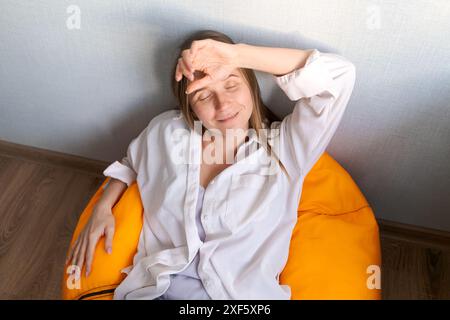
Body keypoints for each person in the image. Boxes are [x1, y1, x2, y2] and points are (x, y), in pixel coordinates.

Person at [65, 29, 356, 299]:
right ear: (189, 105)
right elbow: (131, 163)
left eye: (232, 84)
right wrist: (102, 208)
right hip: (154, 291)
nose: (223, 104)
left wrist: (237, 55)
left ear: (252, 88)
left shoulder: (286, 148)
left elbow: (340, 75)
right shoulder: (167, 133)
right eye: (204, 95)